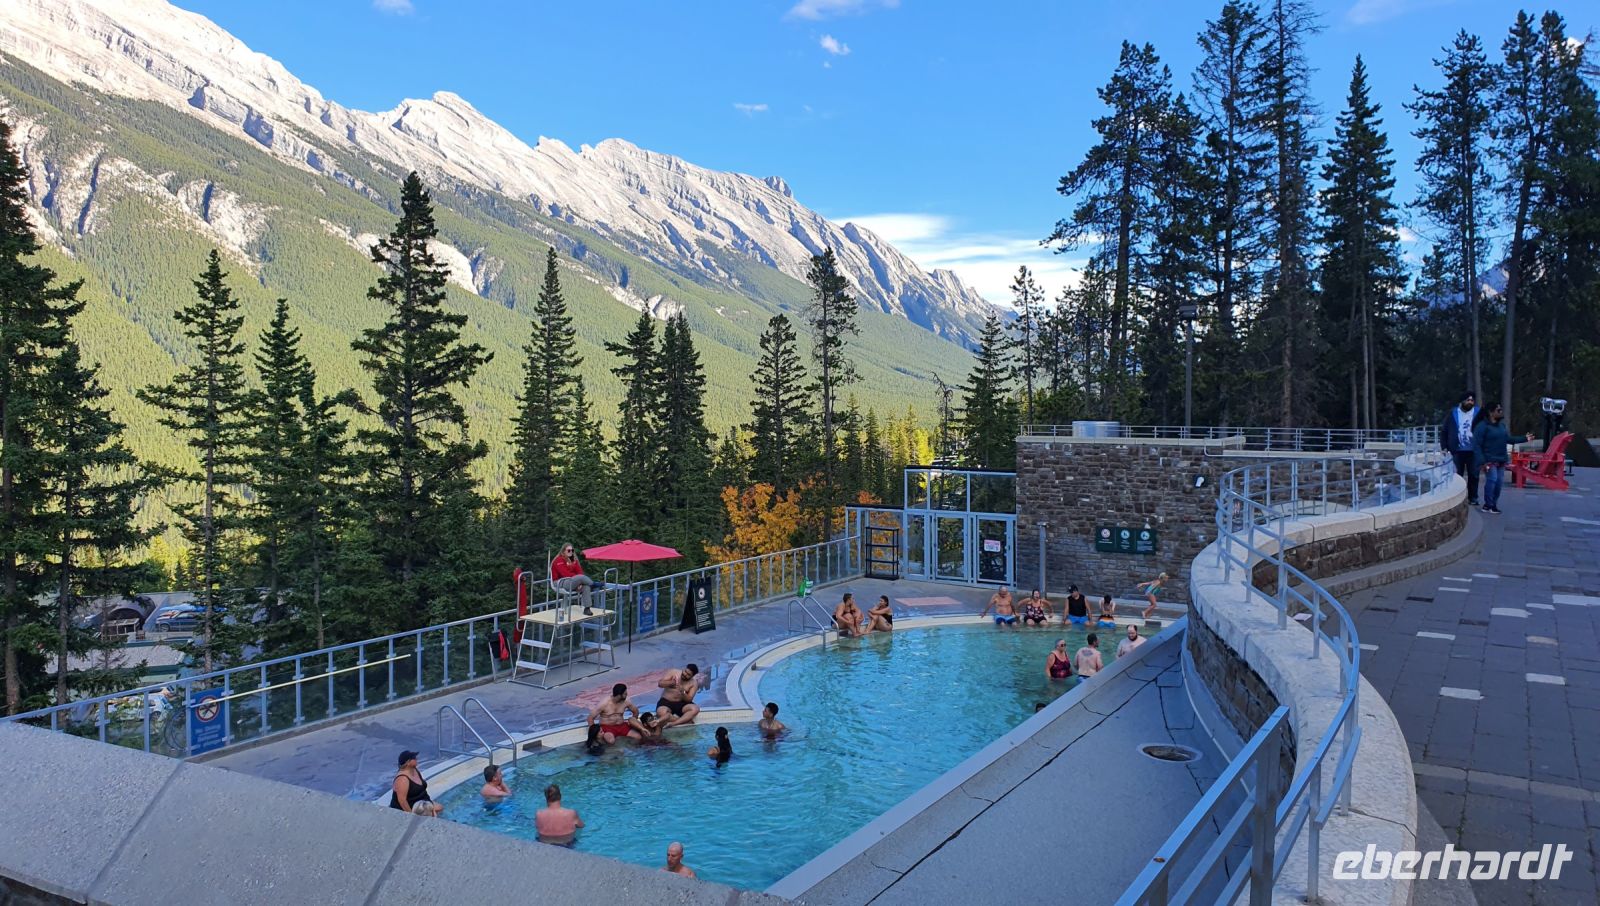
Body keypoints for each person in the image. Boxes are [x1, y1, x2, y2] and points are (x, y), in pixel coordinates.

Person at [1473, 403, 1533, 515]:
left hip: (1501, 459)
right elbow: (1477, 445)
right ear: (1491, 413)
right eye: (1498, 410)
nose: (1501, 412)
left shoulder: (1502, 426)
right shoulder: (1482, 427)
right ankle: (1488, 504)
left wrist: (1524, 438)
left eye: (1501, 410)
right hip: (1489, 460)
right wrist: (1482, 462)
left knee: (1499, 483)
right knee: (1492, 480)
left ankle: (1493, 504)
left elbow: (1508, 439)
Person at [1439, 392, 1484, 505]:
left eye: (1472, 400)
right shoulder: (1453, 413)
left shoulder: (1478, 413)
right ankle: (1458, 498)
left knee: (1474, 474)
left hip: (1473, 450)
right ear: (1462, 401)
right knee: (1457, 475)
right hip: (1457, 450)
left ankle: (1473, 497)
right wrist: (1444, 446)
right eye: (1468, 400)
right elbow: (1445, 431)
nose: (1470, 402)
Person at [389, 750, 442, 816]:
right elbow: (402, 801)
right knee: (434, 812)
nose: (416, 759)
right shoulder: (402, 779)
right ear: (408, 762)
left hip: (421, 801)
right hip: (412, 806)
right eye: (414, 758)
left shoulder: (414, 770)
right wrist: (412, 816)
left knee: (439, 808)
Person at [550, 542, 600, 612]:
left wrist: (580, 583)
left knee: (586, 587)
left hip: (572, 581)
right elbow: (565, 574)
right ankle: (593, 584)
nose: (570, 552)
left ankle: (587, 609)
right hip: (559, 582)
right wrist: (579, 579)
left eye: (572, 550)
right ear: (563, 551)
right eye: (568, 550)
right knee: (580, 578)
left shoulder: (573, 560)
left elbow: (580, 571)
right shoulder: (558, 560)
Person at [656, 664, 702, 728]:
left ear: (692, 676)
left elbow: (689, 699)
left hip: (680, 703)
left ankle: (673, 723)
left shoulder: (694, 683)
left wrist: (682, 692)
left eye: (688, 675)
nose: (685, 674)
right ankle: (685, 721)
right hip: (666, 701)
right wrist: (671, 683)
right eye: (685, 671)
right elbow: (660, 684)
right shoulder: (673, 672)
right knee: (661, 713)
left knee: (695, 709)